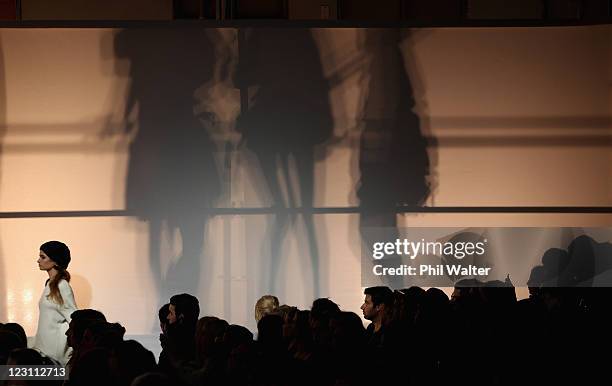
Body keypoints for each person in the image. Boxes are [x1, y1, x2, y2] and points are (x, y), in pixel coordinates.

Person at [33, 240, 77, 366]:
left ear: (55, 261)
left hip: (55, 356)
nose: (38, 260)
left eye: (43, 257)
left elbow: (73, 317)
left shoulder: (62, 286)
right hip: (43, 350)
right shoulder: (49, 284)